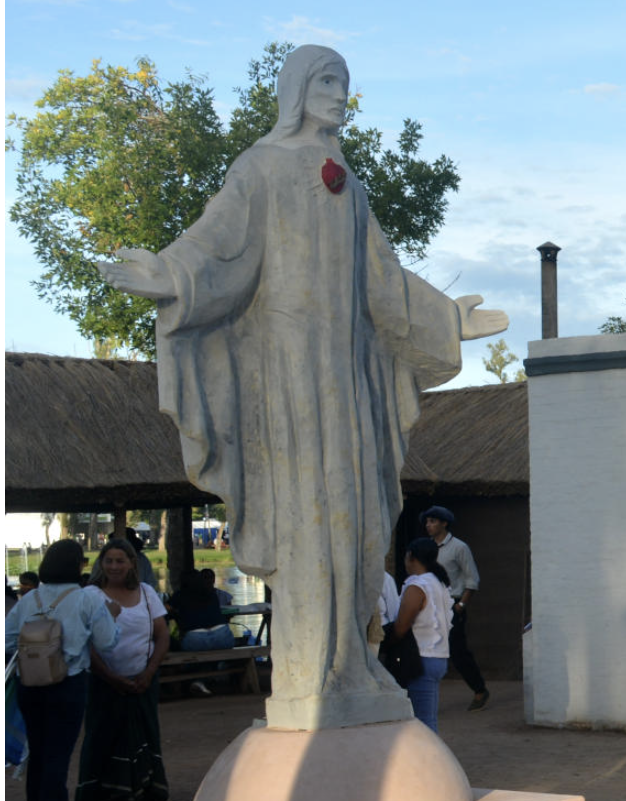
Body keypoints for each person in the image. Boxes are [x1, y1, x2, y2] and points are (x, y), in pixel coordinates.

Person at [96, 44, 507, 730]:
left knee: (358, 518)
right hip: (290, 374)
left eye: (345, 82)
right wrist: (168, 274)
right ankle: (309, 667)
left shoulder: (352, 184)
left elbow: (383, 280)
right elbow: (216, 248)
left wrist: (446, 318)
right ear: (296, 89)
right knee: (308, 517)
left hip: (348, 379)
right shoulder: (259, 167)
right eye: (327, 80)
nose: (340, 93)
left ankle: (352, 660)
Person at [4, 541, 120, 800]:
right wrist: (112, 616)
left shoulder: (29, 599)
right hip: (68, 683)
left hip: (29, 684)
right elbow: (107, 643)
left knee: (37, 753)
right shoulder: (87, 598)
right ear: (77, 565)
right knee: (58, 755)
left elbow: (7, 640)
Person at [81, 540, 170, 800]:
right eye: (108, 561)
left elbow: (162, 635)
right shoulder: (91, 595)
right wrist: (111, 678)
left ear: (132, 563)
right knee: (103, 741)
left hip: (144, 684)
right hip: (103, 686)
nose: (114, 566)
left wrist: (149, 672)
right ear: (101, 563)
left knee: (146, 738)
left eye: (120, 561)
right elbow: (85, 643)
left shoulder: (147, 593)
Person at [421, 506, 488, 711]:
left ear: (444, 523)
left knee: (458, 651)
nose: (428, 525)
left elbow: (472, 579)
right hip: (430, 606)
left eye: (433, 521)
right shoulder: (427, 548)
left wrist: (461, 605)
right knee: (427, 650)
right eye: (427, 522)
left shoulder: (459, 547)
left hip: (452, 605)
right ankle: (424, 697)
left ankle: (479, 689)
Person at [392, 537, 454, 732]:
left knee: (423, 724)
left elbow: (401, 627)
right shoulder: (438, 582)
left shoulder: (418, 586)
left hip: (421, 658)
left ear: (411, 556)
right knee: (427, 719)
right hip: (438, 657)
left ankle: (432, 753)